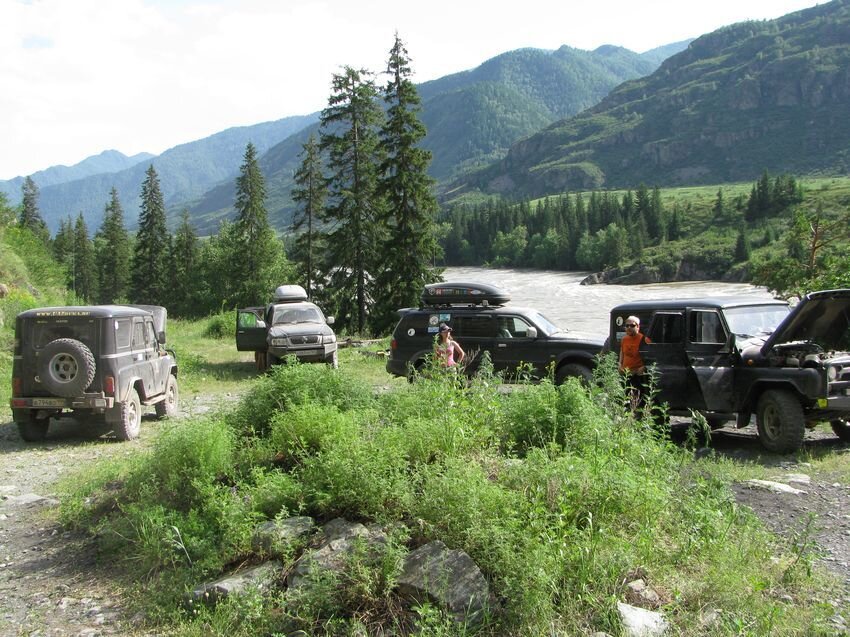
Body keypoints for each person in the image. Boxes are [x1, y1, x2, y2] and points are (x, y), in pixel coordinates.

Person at [618, 315, 651, 410]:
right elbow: (622, 352)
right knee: (625, 397)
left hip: (638, 375)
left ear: (638, 327)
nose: (629, 328)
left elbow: (651, 357)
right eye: (627, 325)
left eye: (632, 325)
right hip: (626, 374)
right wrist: (619, 364)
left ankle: (639, 415)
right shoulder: (624, 339)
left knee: (639, 398)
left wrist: (644, 367)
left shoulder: (645, 340)